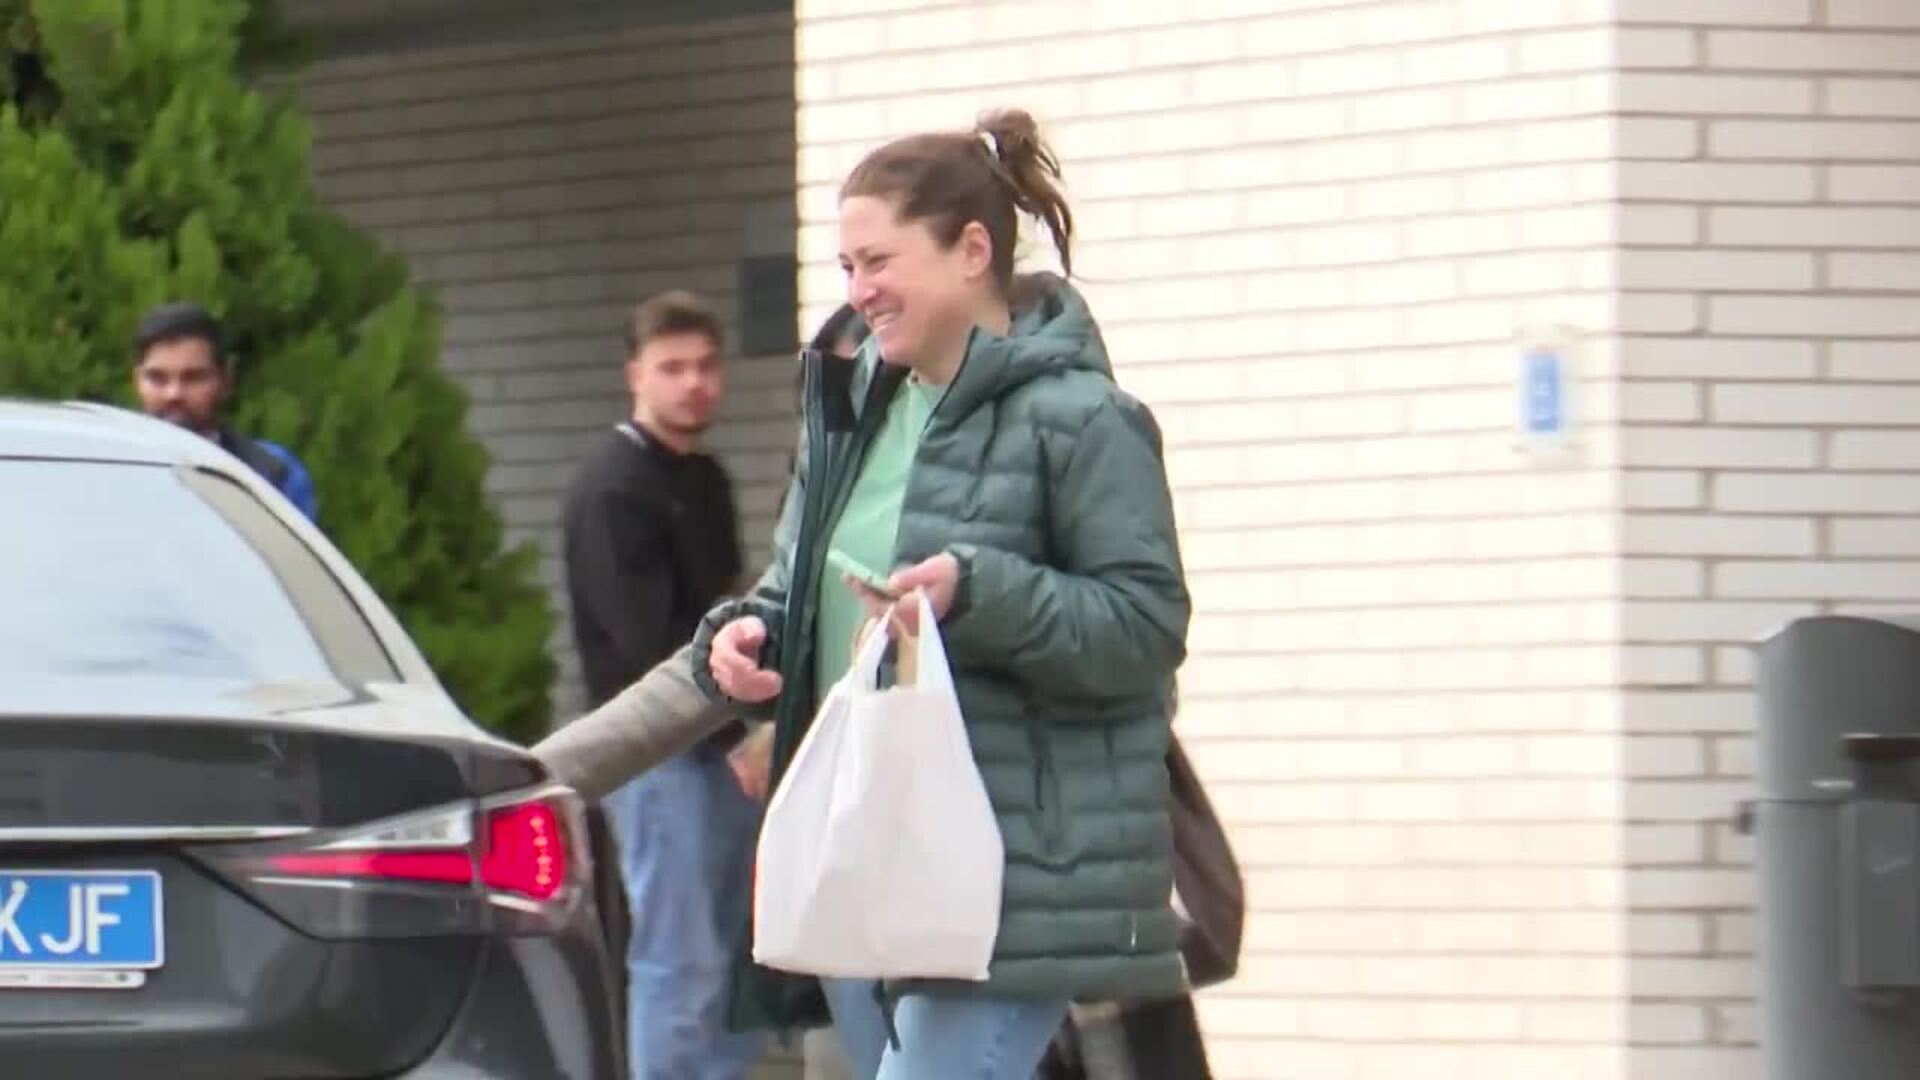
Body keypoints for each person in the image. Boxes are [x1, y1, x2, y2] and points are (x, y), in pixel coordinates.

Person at [692, 108, 1192, 1080]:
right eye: (847, 267)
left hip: (1013, 882)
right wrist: (744, 634)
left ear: (971, 251)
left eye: (879, 261)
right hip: (864, 853)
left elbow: (1146, 626)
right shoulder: (850, 418)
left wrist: (977, 592)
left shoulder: (1085, 420)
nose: (858, 291)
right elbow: (794, 586)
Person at [559, 289, 759, 1080]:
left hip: (725, 747)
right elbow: (648, 644)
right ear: (634, 375)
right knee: (681, 956)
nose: (694, 383)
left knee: (734, 953)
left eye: (707, 366)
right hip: (659, 758)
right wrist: (740, 734)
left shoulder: (704, 478)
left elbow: (733, 605)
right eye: (673, 367)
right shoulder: (614, 488)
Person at [131, 302, 318, 521]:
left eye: (194, 378)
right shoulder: (105, 466)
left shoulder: (275, 474)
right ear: (137, 380)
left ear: (226, 380)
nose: (174, 394)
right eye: (157, 378)